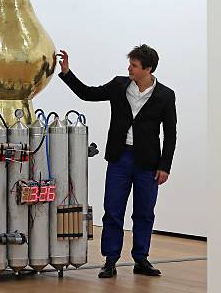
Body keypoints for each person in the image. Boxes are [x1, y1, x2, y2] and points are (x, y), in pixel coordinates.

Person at [57, 44, 177, 278]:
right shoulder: (118, 85)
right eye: (130, 64)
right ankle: (110, 260)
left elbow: (171, 133)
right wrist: (66, 72)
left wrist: (165, 166)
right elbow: (87, 93)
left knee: (144, 213)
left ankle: (141, 259)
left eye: (134, 65)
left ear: (148, 68)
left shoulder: (165, 95)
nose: (129, 68)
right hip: (119, 158)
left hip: (149, 163)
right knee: (113, 210)